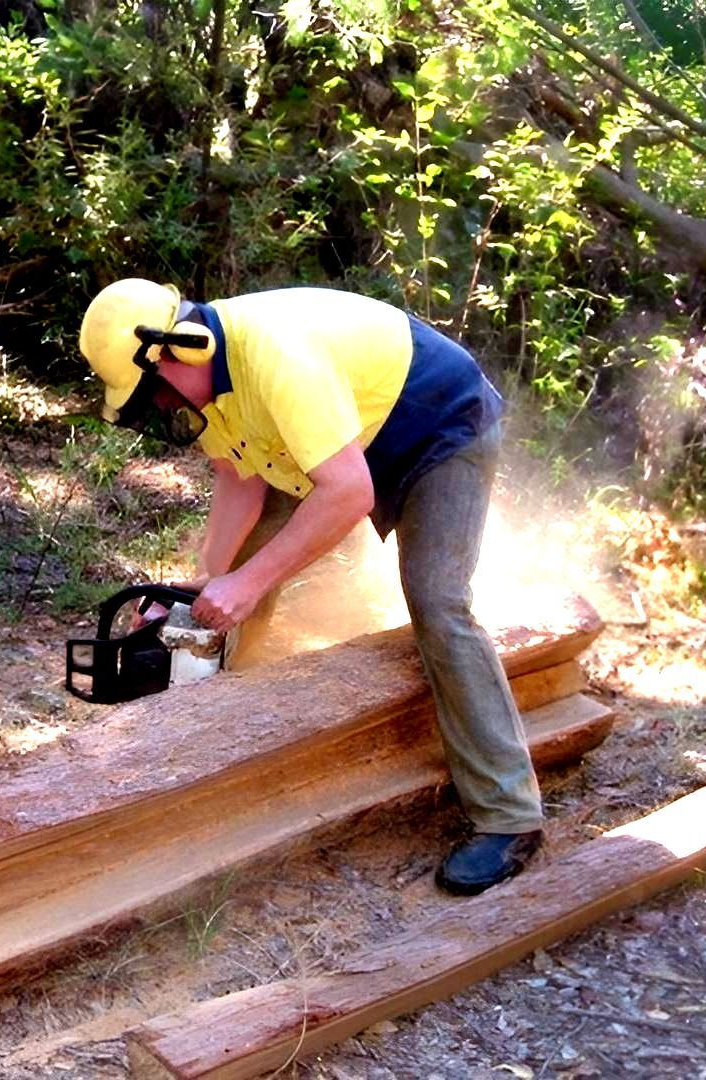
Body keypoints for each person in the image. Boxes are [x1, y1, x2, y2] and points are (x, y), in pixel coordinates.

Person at [78, 278, 543, 895]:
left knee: (438, 602)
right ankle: (211, 727)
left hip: (438, 429)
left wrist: (245, 584)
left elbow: (349, 493)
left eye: (153, 396)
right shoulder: (211, 382)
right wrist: (206, 585)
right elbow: (239, 480)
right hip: (341, 450)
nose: (159, 410)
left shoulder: (275, 358)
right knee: (238, 579)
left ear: (173, 351)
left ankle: (509, 816)